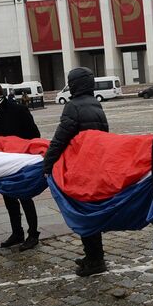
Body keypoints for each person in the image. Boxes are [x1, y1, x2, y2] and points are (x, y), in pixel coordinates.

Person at [43, 67, 109, 275]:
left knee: (83, 213)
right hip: (94, 166)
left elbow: (61, 138)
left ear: (75, 84)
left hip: (81, 169)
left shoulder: (73, 106)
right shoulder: (95, 104)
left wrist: (48, 163)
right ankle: (94, 256)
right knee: (90, 212)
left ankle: (95, 261)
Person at [0, 81, 42, 251]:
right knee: (8, 196)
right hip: (3, 163)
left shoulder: (18, 110)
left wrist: (21, 150)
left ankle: (33, 234)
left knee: (25, 197)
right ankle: (17, 232)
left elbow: (34, 135)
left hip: (20, 162)